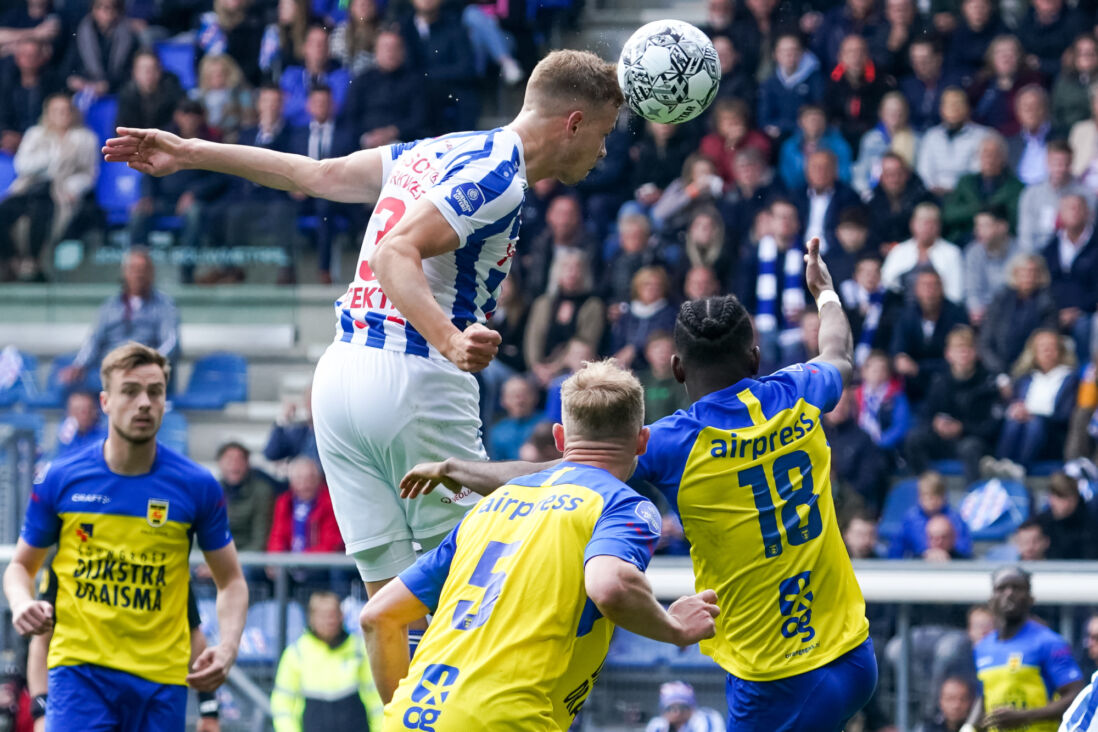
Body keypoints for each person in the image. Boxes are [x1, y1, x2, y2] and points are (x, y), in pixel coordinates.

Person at [103, 50, 627, 611]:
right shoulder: (499, 177)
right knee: (477, 592)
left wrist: (190, 152)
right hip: (414, 379)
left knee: (387, 606)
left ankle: (401, 705)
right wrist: (450, 339)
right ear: (573, 123)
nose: (602, 151)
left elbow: (319, 174)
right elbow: (392, 252)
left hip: (339, 378)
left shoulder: (437, 149)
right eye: (603, 133)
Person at [400, 237, 880, 731]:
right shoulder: (799, 392)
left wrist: (456, 469)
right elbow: (838, 349)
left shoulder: (674, 442)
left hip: (778, 676)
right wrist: (824, 292)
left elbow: (552, 478)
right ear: (755, 358)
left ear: (675, 367)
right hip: (852, 651)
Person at [361, 360, 721, 729]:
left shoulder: (487, 511)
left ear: (560, 438)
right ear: (642, 441)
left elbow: (378, 616)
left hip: (410, 717)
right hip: (507, 720)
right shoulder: (623, 505)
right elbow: (609, 585)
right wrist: (673, 627)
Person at [2, 342, 248, 731]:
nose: (145, 403)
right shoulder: (59, 478)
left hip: (161, 679)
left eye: (155, 391)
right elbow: (20, 566)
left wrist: (229, 646)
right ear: (105, 401)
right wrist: (20, 603)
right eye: (130, 391)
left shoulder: (197, 486)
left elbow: (231, 581)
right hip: (80, 671)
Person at [968, 567, 1085, 731]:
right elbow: (984, 697)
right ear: (991, 599)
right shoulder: (982, 648)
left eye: (1017, 588)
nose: (1009, 593)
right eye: (1001, 588)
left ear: (1031, 598)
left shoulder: (1049, 642)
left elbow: (1076, 696)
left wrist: (1023, 717)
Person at [0, 92, 98, 282]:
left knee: (41, 212)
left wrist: (72, 187)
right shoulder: (35, 134)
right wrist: (51, 157)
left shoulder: (85, 138)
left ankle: (34, 262)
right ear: (48, 113)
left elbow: (88, 174)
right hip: (29, 188)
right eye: (57, 111)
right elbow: (22, 165)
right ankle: (11, 259)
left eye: (66, 110)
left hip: (59, 192)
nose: (62, 114)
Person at [62, 248, 180, 387]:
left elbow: (171, 343)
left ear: (152, 273)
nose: (139, 274)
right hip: (111, 368)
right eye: (134, 269)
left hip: (145, 370)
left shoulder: (164, 305)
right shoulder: (109, 305)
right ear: (125, 273)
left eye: (144, 269)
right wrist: (79, 364)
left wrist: (148, 362)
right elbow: (94, 339)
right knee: (70, 385)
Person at [270, 591, 383, 731]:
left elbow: (377, 701)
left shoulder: (360, 649)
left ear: (341, 616)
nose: (330, 621)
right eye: (323, 616)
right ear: (311, 618)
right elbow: (283, 705)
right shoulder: (295, 653)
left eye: (333, 615)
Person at [904, 325, 999, 484]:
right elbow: (926, 415)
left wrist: (962, 428)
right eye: (958, 349)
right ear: (948, 354)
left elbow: (992, 426)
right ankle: (927, 487)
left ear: (976, 353)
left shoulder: (987, 383)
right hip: (942, 440)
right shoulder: (939, 382)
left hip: (972, 440)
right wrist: (935, 424)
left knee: (970, 448)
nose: (963, 354)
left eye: (967, 349)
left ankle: (973, 495)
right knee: (914, 439)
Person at [997, 329, 1079, 470]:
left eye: (1052, 347)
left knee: (1034, 423)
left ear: (1060, 350)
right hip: (1023, 426)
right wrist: (1016, 410)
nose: (1047, 351)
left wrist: (1033, 414)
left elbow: (1066, 415)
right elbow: (1012, 403)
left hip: (1052, 433)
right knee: (1013, 421)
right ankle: (1001, 465)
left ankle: (1020, 467)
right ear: (1033, 352)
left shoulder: (1070, 378)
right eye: (1043, 347)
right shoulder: (1024, 378)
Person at [940, 133, 1022, 244]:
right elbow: (949, 214)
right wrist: (979, 209)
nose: (988, 158)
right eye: (985, 153)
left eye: (994, 154)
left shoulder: (1015, 187)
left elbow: (1014, 220)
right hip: (965, 239)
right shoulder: (966, 182)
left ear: (1003, 157)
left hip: (1000, 242)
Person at [888, 471, 972, 559]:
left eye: (935, 495)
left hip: (950, 563)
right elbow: (897, 548)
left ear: (944, 496)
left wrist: (949, 553)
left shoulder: (954, 518)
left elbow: (964, 547)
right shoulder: (910, 519)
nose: (930, 501)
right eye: (925, 495)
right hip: (917, 564)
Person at [216, 441, 276, 553]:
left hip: (246, 558)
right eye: (229, 460)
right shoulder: (208, 492)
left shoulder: (261, 491)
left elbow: (259, 540)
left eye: (239, 460)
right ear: (220, 463)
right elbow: (198, 535)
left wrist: (227, 564)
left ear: (247, 464)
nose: (234, 465)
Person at [1033, 473, 1098, 559]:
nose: (1053, 502)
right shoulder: (1041, 522)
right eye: (1053, 496)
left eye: (1060, 496)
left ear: (1075, 499)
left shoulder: (1091, 524)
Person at [487, 376, 542, 461]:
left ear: (535, 397)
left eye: (524, 394)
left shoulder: (547, 423)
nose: (520, 400)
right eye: (513, 395)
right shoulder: (496, 433)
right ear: (503, 400)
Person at [645, 680, 726, 732]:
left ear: (692, 707)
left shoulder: (707, 718)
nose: (676, 712)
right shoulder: (657, 725)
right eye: (669, 708)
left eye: (682, 707)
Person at [53, 390, 106, 457]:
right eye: (76, 411)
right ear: (68, 413)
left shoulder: (103, 437)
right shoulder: (66, 433)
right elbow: (61, 458)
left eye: (86, 411)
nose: (83, 416)